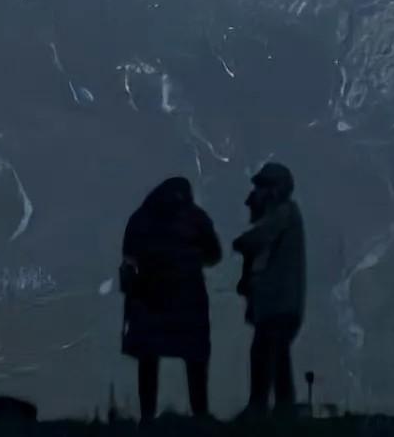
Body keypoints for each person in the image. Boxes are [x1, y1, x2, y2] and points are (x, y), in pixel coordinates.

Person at [119, 175, 223, 422]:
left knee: (150, 360)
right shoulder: (195, 217)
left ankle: (148, 418)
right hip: (185, 298)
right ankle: (199, 415)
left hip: (151, 299)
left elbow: (128, 259)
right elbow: (214, 254)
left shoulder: (141, 218)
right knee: (194, 360)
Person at [233, 160, 306, 414]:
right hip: (276, 305)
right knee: (277, 358)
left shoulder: (285, 212)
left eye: (263, 186)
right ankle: (280, 411)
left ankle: (261, 408)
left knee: (265, 355)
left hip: (279, 304)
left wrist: (241, 242)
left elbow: (257, 239)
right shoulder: (281, 214)